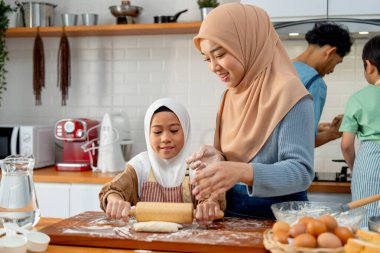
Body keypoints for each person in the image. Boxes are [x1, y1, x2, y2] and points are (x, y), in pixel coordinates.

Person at [186, 3, 315, 219]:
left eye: (219, 54)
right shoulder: (229, 96)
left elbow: (301, 172)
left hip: (280, 218)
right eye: (207, 59)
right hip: (231, 214)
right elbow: (234, 161)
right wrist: (218, 157)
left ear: (248, 44)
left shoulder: (290, 93)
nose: (213, 67)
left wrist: (241, 171)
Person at [99, 98, 225, 223]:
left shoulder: (196, 166)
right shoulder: (140, 165)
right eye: (157, 132)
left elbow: (211, 197)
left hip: (189, 239)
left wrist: (210, 204)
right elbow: (113, 189)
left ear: (185, 131)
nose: (165, 138)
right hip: (146, 239)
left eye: (174, 130)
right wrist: (115, 200)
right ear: (148, 134)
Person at [339, 35, 380, 226]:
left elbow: (346, 144)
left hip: (369, 163)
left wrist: (354, 167)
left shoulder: (358, 98)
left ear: (369, 65)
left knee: (365, 223)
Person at [292, 22, 353, 147]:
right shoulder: (315, 82)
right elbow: (304, 142)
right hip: (288, 165)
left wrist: (317, 128)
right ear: (330, 52)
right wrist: (334, 133)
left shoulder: (280, 66)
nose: (332, 70)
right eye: (337, 63)